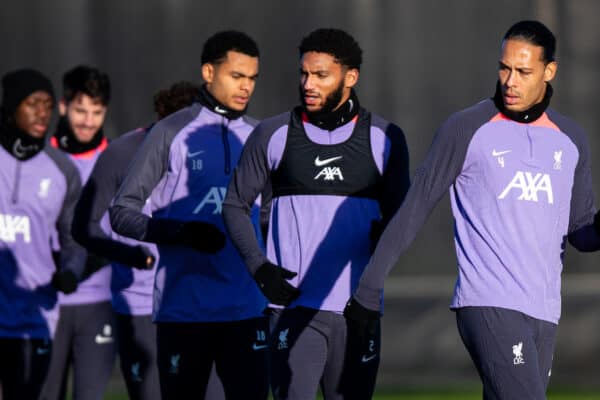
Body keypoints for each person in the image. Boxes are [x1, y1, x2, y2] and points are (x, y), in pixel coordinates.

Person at [346, 20, 600, 400]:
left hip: (545, 311)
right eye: (504, 68)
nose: (510, 81)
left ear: (549, 72)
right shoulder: (466, 128)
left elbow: (581, 232)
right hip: (488, 302)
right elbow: (415, 207)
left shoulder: (571, 140)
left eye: (523, 71)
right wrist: (368, 288)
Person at [222, 28, 410, 399]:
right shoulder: (272, 134)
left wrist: (373, 273)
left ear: (350, 78)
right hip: (291, 307)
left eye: (321, 75)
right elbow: (234, 205)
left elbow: (402, 220)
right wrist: (259, 269)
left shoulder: (386, 137)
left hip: (357, 311)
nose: (308, 84)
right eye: (304, 73)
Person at [109, 31, 269, 399]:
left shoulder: (261, 136)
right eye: (236, 76)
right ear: (208, 73)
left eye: (252, 78)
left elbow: (271, 216)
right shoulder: (170, 132)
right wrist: (178, 231)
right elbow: (122, 211)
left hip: (247, 311)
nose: (246, 87)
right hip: (184, 312)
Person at [71, 81, 207, 400]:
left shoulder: (214, 150)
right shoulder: (121, 153)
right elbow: (84, 227)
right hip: (141, 304)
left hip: (203, 305)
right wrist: (130, 256)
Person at [0, 68, 85, 400]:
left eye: (48, 105)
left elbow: (74, 240)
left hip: (35, 319)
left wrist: (71, 272)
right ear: (11, 106)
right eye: (32, 103)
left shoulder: (62, 169)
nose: (42, 113)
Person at [42, 65, 115, 400]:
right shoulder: (39, 159)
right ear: (62, 107)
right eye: (80, 110)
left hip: (99, 304)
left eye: (97, 112)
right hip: (45, 305)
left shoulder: (117, 161)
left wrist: (85, 266)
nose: (88, 121)